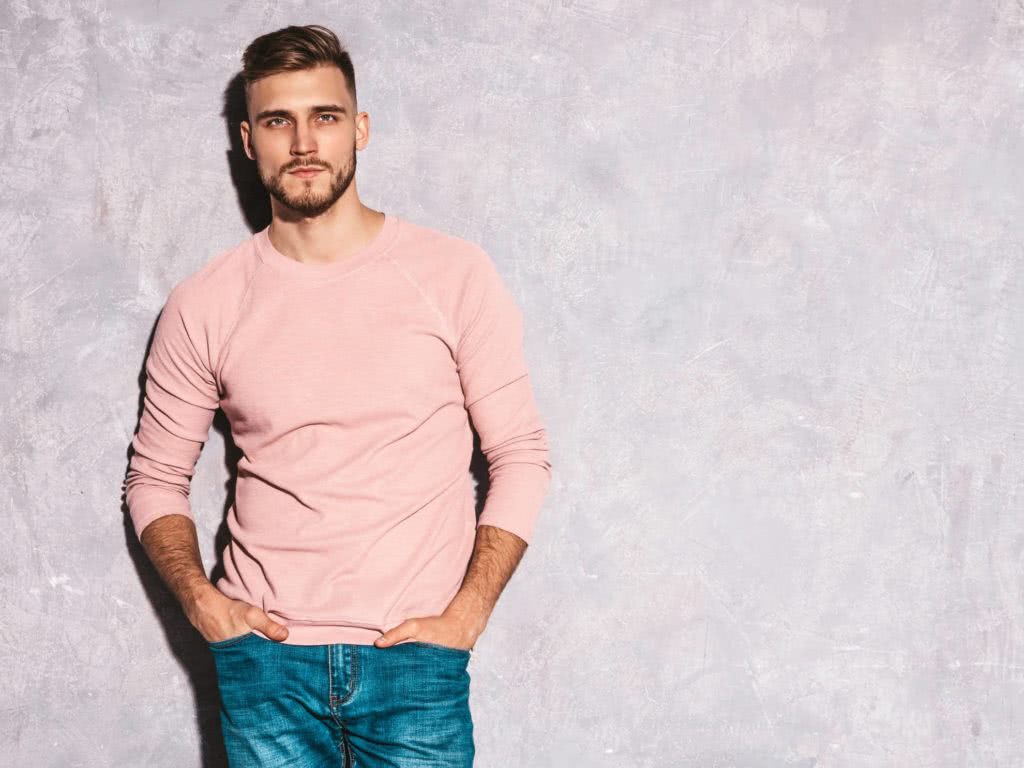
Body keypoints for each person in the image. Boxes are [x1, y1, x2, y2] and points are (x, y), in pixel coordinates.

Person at [123, 23, 553, 767]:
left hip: (416, 660)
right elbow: (154, 477)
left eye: (324, 116)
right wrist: (203, 602)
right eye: (277, 121)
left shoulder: (452, 274)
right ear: (248, 140)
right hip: (265, 663)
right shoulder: (205, 302)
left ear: (360, 129)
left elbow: (521, 455)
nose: (303, 143)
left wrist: (468, 613)